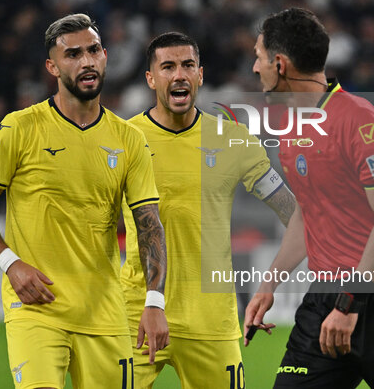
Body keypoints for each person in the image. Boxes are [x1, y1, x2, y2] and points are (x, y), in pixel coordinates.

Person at [0, 14, 169, 389]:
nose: (86, 61)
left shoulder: (129, 140)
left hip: (105, 314)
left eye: (93, 51)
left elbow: (149, 224)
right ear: (52, 67)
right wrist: (12, 265)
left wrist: (154, 301)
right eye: (72, 54)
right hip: (37, 310)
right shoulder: (18, 128)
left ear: (105, 56)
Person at [244, 8, 374, 388]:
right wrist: (270, 283)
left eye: (259, 56)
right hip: (324, 301)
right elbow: (307, 214)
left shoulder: (360, 121)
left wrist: (350, 303)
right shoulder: (290, 128)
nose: (254, 67)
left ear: (280, 64)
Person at [120, 32, 296, 388]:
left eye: (187, 65)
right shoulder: (122, 138)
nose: (179, 75)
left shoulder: (234, 140)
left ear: (200, 75)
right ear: (151, 79)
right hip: (136, 314)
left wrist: (269, 285)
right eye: (167, 67)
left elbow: (295, 214)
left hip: (212, 321)